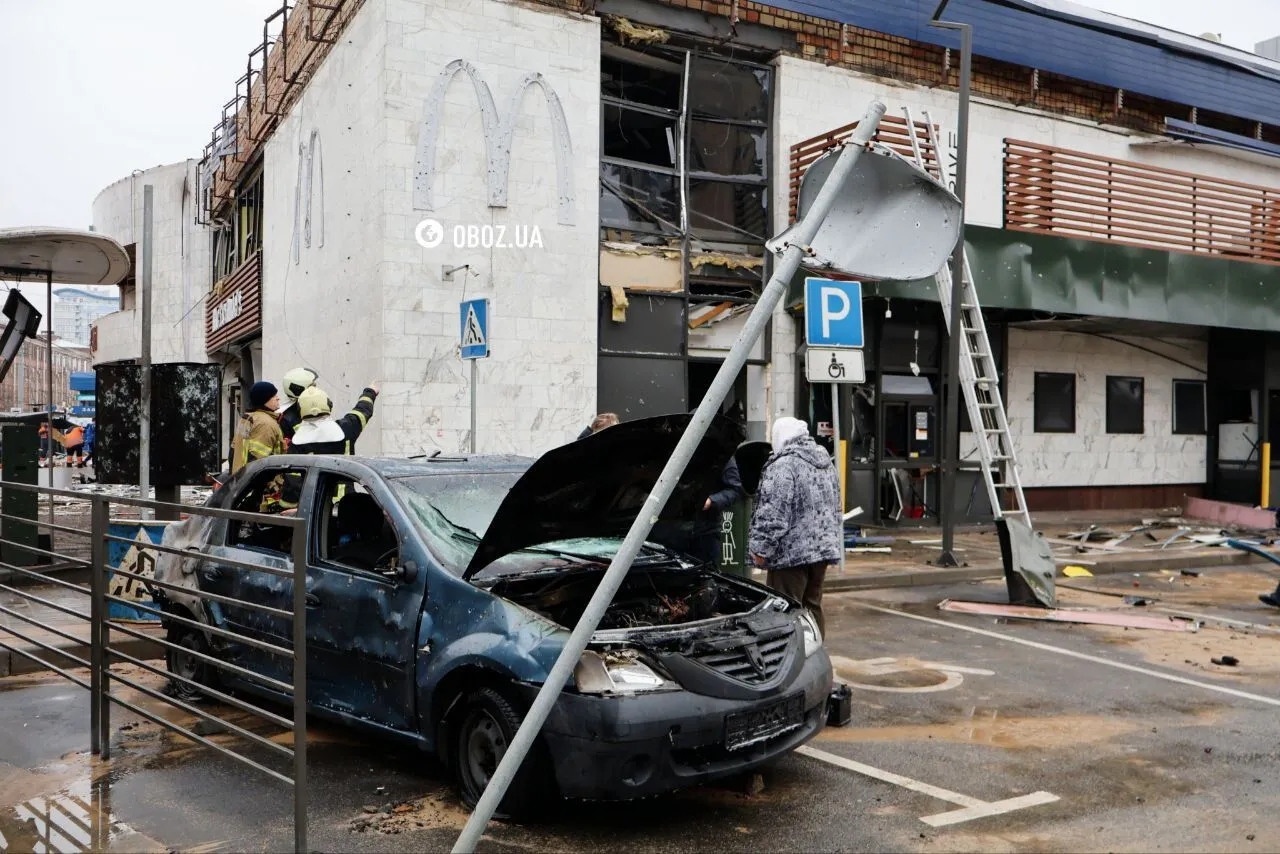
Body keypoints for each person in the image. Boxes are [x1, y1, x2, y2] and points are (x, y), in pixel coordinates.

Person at [748, 416, 841, 636]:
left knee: (784, 608)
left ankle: (788, 660)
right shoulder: (825, 462)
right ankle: (815, 652)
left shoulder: (783, 466)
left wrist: (761, 550)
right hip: (822, 550)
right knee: (812, 605)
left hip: (791, 554)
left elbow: (773, 515)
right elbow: (836, 506)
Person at [289, 383, 379, 455]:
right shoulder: (346, 428)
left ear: (300, 410)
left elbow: (292, 476)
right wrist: (370, 391)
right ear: (329, 405)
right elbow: (362, 411)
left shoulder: (297, 440)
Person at [230, 381, 286, 474]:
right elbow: (259, 463)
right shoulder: (265, 423)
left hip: (240, 479)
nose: (278, 398)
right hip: (258, 485)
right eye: (274, 396)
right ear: (264, 400)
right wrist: (273, 486)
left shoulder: (248, 418)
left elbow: (232, 453)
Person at [278, 366, 320, 446]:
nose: (315, 390)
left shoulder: (313, 409)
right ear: (298, 389)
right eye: (312, 387)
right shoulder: (286, 419)